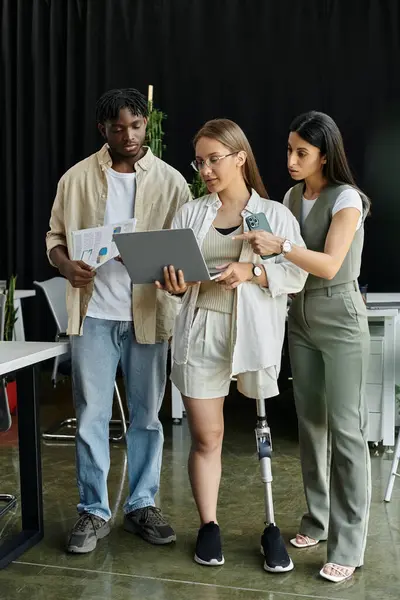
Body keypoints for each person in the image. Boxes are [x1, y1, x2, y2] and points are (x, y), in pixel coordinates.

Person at [156, 119, 307, 570]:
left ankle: (270, 526)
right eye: (199, 161)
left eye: (213, 159)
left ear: (240, 157)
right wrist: (176, 286)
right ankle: (209, 526)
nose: (205, 169)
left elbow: (295, 274)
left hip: (253, 329)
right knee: (208, 436)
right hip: (201, 327)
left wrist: (253, 272)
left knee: (262, 431)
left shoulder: (275, 215)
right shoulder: (190, 213)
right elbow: (175, 280)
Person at [46, 88, 191, 553]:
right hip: (93, 315)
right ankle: (92, 510)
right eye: (116, 128)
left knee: (147, 417)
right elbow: (54, 238)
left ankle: (141, 504)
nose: (127, 136)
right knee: (91, 415)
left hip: (149, 315)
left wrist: (169, 270)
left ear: (146, 125)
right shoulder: (75, 179)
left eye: (135, 126)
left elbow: (185, 251)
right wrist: (65, 264)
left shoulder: (171, 182)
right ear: (102, 130)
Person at [236, 111, 371, 583]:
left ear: (324, 155)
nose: (291, 160)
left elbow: (330, 264)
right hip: (301, 319)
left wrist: (279, 247)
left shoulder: (347, 198)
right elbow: (285, 266)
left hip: (340, 317)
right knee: (311, 424)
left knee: (347, 432)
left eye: (302, 153)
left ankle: (349, 544)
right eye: (289, 149)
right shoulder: (293, 196)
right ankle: (317, 521)